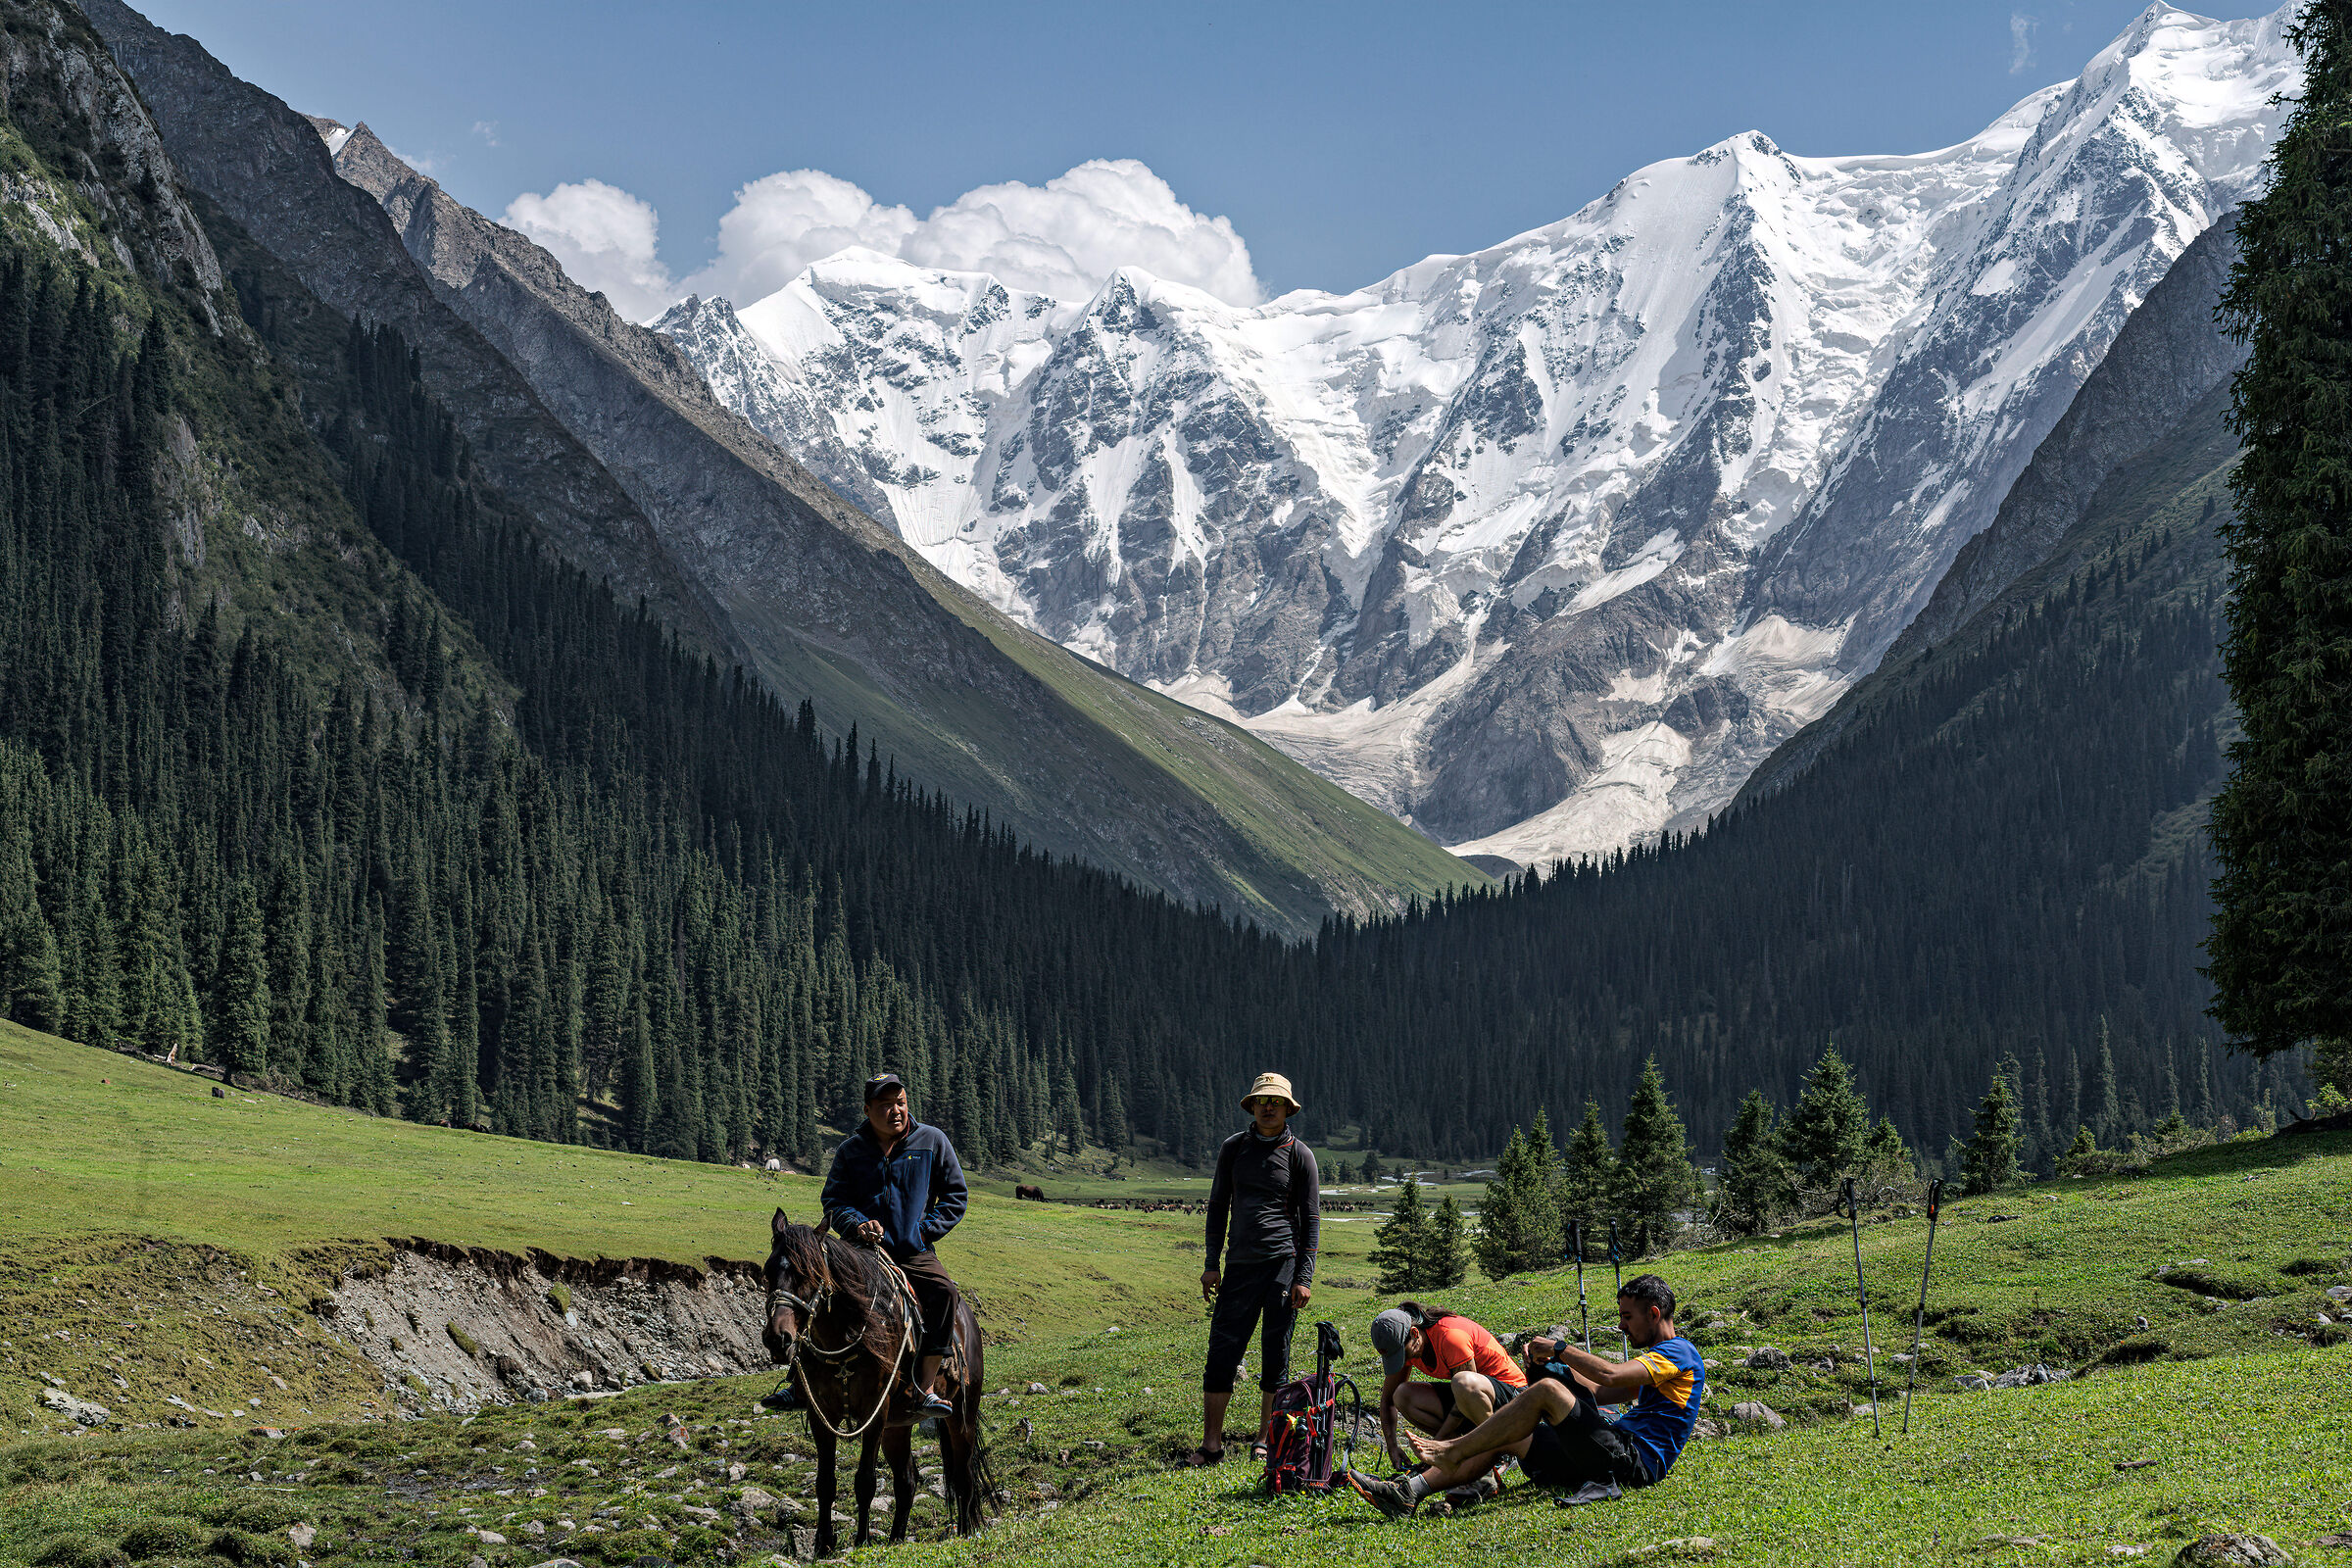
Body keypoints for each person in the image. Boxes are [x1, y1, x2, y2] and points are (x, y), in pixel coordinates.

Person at [1346, 1273, 1704, 1518]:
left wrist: (1561, 1349)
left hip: (1635, 1461)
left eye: (1627, 1317)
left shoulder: (1680, 1353)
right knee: (1506, 1431)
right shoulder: (1657, 1363)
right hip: (1601, 1454)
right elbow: (1600, 1391)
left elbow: (1611, 1373)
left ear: (1653, 1314)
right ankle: (1411, 1492)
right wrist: (1551, 1366)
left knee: (1544, 1393)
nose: (1622, 1326)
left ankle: (1452, 1451)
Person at [1187, 1071, 1320, 1467]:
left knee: (1275, 1353)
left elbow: (1311, 1220)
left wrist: (1304, 1277)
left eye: (1276, 1102)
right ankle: (1211, 1444)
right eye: (1262, 1100)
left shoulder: (1300, 1155)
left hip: (1282, 1264)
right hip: (1239, 1265)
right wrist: (1211, 1264)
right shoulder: (1233, 1149)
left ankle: (1265, 1439)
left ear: (1287, 1109)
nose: (1268, 1107)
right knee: (1222, 1351)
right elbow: (1217, 1206)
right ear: (1252, 1106)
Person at [819, 1071, 968, 1420]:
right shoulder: (851, 1150)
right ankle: (800, 1381)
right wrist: (857, 1224)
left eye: (900, 1102)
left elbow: (955, 1195)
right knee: (815, 1292)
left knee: (944, 1293)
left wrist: (922, 1232)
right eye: (885, 1105)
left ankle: (926, 1387)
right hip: (860, 1253)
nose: (896, 1111)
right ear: (867, 1110)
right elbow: (834, 1200)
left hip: (912, 1250)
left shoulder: (931, 1140)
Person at [1369, 1301, 1528, 1485]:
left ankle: (1499, 1453)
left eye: (1402, 1354)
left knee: (1463, 1384)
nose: (1403, 1360)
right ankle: (1465, 1456)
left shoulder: (1451, 1337)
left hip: (1512, 1397)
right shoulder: (1406, 1345)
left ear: (1414, 1333)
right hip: (1473, 1400)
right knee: (1403, 1395)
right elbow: (1388, 1400)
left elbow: (1466, 1396)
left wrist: (1438, 1446)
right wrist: (1392, 1446)